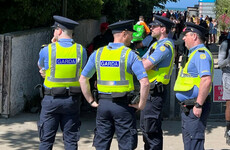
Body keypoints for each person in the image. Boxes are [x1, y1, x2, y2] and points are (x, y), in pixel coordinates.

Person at [79, 20, 150, 150]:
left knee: (101, 145)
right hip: (124, 106)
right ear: (124, 34)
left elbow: (83, 78)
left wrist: (90, 101)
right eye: (130, 34)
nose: (132, 37)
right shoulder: (130, 55)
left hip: (103, 105)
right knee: (126, 145)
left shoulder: (98, 53)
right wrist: (141, 104)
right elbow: (145, 82)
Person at [37, 15, 87, 150]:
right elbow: (83, 72)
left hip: (51, 100)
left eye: (55, 30)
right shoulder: (81, 50)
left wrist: (52, 44)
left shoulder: (47, 49)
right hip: (72, 101)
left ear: (59, 31)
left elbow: (41, 67)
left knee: (46, 141)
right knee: (71, 141)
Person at [174, 22, 213, 150]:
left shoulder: (200, 54)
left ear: (195, 36)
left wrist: (198, 104)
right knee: (190, 142)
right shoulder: (193, 54)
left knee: (194, 142)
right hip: (188, 106)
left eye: (186, 35)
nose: (184, 38)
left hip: (194, 106)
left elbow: (206, 80)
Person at [141, 15, 175, 150]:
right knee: (146, 129)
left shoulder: (165, 47)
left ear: (163, 29)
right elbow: (140, 61)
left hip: (155, 93)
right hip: (148, 92)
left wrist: (146, 64)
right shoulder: (155, 44)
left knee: (151, 130)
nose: (151, 28)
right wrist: (145, 63)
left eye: (154, 26)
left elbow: (144, 65)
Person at [218, 33, 230, 145]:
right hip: (229, 76)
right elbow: (220, 63)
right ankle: (229, 129)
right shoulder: (226, 44)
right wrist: (229, 59)